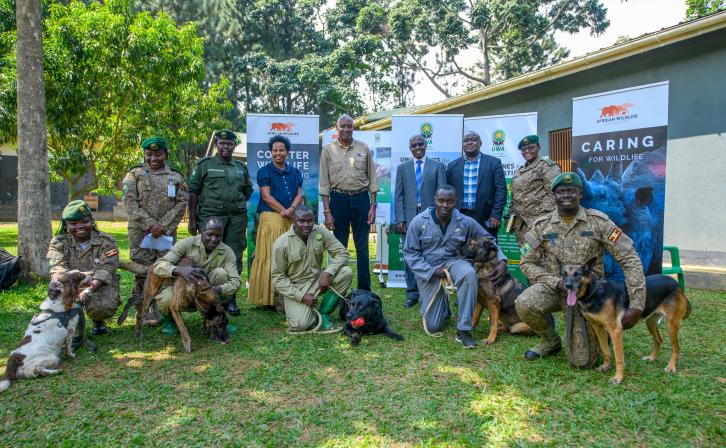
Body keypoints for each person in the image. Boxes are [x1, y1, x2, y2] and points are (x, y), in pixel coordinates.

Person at [515, 172, 646, 365]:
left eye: (571, 191)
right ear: (554, 195)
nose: (566, 195)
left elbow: (629, 258)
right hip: (555, 287)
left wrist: (636, 305)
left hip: (588, 293)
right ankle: (551, 341)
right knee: (524, 303)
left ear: (580, 194)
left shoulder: (599, 222)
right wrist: (554, 282)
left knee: (583, 362)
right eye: (561, 192)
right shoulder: (541, 226)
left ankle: (602, 327)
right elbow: (526, 262)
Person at [403, 186, 507, 348]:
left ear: (455, 203)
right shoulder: (419, 221)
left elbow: (488, 239)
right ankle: (443, 308)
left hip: (453, 262)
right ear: (435, 200)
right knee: (433, 325)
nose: (445, 205)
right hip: (429, 270)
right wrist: (431, 271)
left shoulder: (465, 221)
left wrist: (502, 260)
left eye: (449, 201)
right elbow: (410, 253)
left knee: (469, 273)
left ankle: (464, 330)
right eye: (441, 200)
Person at [121, 136, 188, 324]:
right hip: (141, 232)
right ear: (144, 154)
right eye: (149, 154)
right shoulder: (134, 175)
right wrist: (150, 224)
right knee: (143, 270)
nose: (153, 158)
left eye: (158, 154)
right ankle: (143, 310)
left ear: (165, 154)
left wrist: (163, 226)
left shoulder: (175, 177)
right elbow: (129, 202)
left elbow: (181, 203)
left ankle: (163, 308)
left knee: (165, 269)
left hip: (166, 233)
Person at [188, 129, 252, 316]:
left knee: (235, 255)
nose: (226, 147)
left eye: (229, 144)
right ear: (216, 145)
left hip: (236, 218)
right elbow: (193, 192)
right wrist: (192, 220)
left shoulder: (241, 167)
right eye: (222, 143)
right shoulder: (204, 165)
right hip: (211, 217)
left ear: (234, 146)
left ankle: (230, 299)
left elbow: (247, 190)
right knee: (208, 255)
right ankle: (205, 295)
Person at [152, 216, 241, 335]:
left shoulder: (227, 251)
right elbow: (158, 265)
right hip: (182, 290)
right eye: (210, 234)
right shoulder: (186, 244)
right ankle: (170, 321)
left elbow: (236, 282)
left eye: (218, 235)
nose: (214, 239)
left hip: (208, 293)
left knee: (221, 274)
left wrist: (218, 289)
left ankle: (218, 317)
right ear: (201, 231)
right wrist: (179, 270)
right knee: (166, 298)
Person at [271, 205, 353, 333]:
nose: (306, 225)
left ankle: (324, 313)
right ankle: (303, 311)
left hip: (318, 279)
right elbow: (278, 278)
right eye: (301, 221)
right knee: (300, 325)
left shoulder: (320, 231)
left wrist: (327, 273)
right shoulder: (281, 244)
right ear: (293, 220)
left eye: (310, 221)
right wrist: (301, 297)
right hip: (296, 287)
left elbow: (342, 253)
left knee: (346, 272)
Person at [319, 114, 378, 291]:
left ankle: (364, 291)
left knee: (362, 248)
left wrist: (373, 206)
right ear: (337, 128)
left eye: (349, 126)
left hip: (361, 200)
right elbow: (324, 184)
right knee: (340, 249)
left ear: (353, 128)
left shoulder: (363, 148)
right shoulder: (328, 150)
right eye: (342, 126)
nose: (346, 129)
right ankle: (340, 290)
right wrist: (327, 212)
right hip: (338, 201)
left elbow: (373, 179)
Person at [47, 200, 120, 335]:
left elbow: (107, 269)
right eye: (73, 224)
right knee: (61, 299)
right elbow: (57, 266)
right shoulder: (59, 242)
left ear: (92, 221)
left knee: (103, 307)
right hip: (70, 283)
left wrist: (89, 290)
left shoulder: (107, 241)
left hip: (98, 284)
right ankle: (71, 330)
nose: (80, 226)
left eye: (84, 221)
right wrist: (55, 282)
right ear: (66, 225)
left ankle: (98, 323)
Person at [248, 135, 304, 309]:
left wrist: (292, 209)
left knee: (289, 256)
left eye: (281, 150)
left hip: (291, 218)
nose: (278, 153)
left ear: (287, 152)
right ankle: (268, 299)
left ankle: (289, 296)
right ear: (271, 152)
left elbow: (300, 193)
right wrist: (284, 210)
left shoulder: (295, 172)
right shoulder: (264, 171)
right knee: (270, 256)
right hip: (272, 218)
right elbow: (266, 196)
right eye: (275, 150)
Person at [394, 134, 447, 308]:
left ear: (426, 145)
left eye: (420, 144)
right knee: (410, 256)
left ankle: (431, 291)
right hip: (408, 219)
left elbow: (442, 196)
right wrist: (400, 219)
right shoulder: (402, 168)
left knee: (431, 255)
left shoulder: (438, 166)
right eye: (414, 145)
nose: (417, 147)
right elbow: (399, 196)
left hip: (431, 218)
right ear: (410, 148)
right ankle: (412, 293)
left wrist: (440, 219)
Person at [447, 131, 507, 236]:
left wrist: (496, 214)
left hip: (486, 216)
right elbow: (448, 191)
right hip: (459, 216)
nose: (469, 142)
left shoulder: (494, 162)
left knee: (486, 249)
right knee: (459, 248)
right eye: (466, 140)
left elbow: (501, 190)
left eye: (473, 140)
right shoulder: (453, 165)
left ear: (480, 143)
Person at [507, 135, 561, 246]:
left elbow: (553, 194)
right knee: (527, 257)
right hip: (521, 226)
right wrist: (510, 216)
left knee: (546, 257)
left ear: (538, 147)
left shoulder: (547, 166)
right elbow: (514, 198)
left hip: (541, 223)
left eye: (531, 147)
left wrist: (539, 218)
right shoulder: (519, 172)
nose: (527, 151)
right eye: (523, 149)